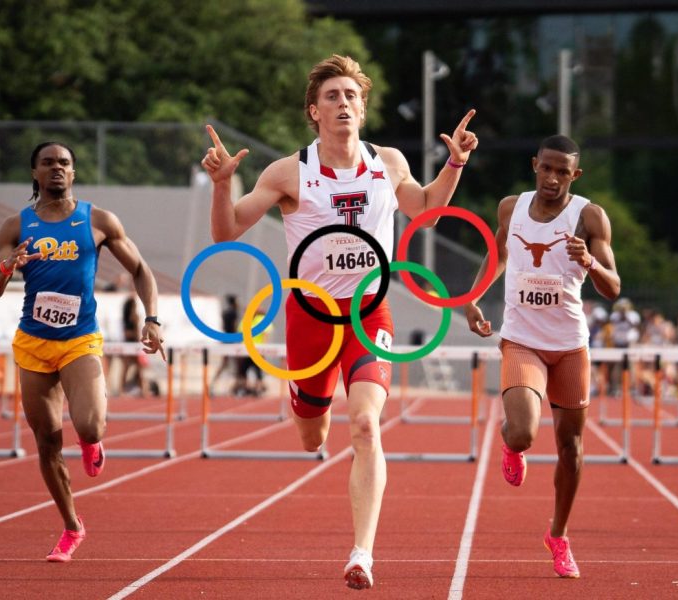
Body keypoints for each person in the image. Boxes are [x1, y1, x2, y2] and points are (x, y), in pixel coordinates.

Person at [201, 54, 477, 589]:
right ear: (315, 111)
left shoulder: (389, 161)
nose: (344, 103)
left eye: (352, 95)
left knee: (366, 423)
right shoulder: (287, 172)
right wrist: (221, 185)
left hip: (369, 312)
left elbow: (424, 208)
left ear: (363, 108)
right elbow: (226, 233)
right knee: (312, 437)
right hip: (309, 317)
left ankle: (362, 553)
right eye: (333, 96)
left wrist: (455, 163)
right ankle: (309, 405)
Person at [0, 141, 165, 562]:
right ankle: (71, 527)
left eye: (64, 163)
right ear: (35, 173)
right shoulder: (16, 226)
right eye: (48, 163)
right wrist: (8, 267)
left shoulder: (97, 220)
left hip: (80, 340)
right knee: (46, 440)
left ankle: (91, 441)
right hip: (33, 343)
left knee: (91, 427)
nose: (57, 169)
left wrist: (151, 318)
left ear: (74, 173)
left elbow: (139, 269)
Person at [465, 135, 620, 579]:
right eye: (546, 168)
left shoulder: (589, 216)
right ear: (535, 164)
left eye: (562, 172)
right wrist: (475, 296)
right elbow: (497, 253)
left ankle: (558, 536)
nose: (552, 178)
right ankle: (509, 440)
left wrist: (589, 261)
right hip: (522, 339)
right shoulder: (511, 207)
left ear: (576, 175)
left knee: (570, 447)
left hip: (570, 344)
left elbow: (613, 288)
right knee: (521, 435)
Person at [234, 308, 272, 396]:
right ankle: (247, 388)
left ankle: (258, 388)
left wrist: (263, 350)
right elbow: (240, 335)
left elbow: (265, 335)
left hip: (257, 351)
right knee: (244, 370)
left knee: (257, 371)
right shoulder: (245, 321)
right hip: (246, 351)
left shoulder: (260, 320)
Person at [211, 294, 239, 396]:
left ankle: (213, 384)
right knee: (237, 364)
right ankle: (237, 387)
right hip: (231, 340)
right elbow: (234, 327)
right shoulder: (234, 313)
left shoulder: (224, 312)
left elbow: (223, 326)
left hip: (225, 338)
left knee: (224, 364)